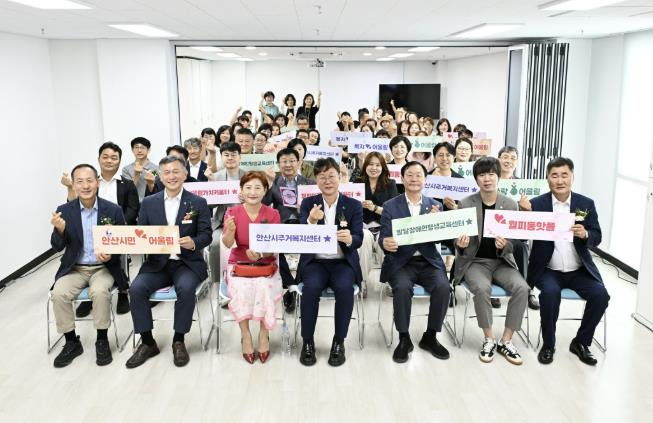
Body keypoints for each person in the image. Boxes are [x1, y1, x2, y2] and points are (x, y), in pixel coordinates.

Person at [126, 156, 212, 368]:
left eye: (176, 171)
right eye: (166, 172)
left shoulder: (198, 202)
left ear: (185, 174)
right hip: (157, 264)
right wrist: (141, 243)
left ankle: (178, 340)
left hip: (187, 263)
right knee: (136, 289)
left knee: (186, 288)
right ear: (160, 177)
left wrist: (194, 242)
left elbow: (207, 235)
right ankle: (147, 342)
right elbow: (142, 234)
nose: (171, 176)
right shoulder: (148, 203)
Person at [527, 157, 609, 366]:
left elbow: (597, 236)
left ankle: (581, 342)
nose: (560, 180)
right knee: (549, 294)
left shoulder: (585, 204)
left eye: (564, 175)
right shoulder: (536, 204)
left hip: (579, 270)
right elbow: (521, 235)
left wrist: (585, 234)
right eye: (554, 176)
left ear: (572, 177)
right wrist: (523, 212)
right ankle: (548, 344)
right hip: (548, 269)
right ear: (548, 179)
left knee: (601, 295)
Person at [50, 164, 128, 368]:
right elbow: (57, 247)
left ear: (97, 183)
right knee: (59, 293)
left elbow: (123, 243)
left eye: (89, 180)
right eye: (80, 181)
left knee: (100, 291)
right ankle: (71, 342)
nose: (85, 186)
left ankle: (102, 339)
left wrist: (111, 253)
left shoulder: (113, 209)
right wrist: (59, 230)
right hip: (75, 268)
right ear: (74, 185)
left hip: (103, 268)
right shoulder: (64, 210)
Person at [454, 157, 529, 365]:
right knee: (481, 288)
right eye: (482, 175)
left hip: (502, 261)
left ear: (498, 176)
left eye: (491, 174)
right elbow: (455, 236)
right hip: (475, 261)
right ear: (476, 179)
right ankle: (489, 339)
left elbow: (516, 240)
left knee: (522, 288)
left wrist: (505, 245)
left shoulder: (510, 204)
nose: (487, 179)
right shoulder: (466, 203)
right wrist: (460, 243)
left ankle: (506, 340)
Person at [379, 161, 451, 363]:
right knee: (402, 288)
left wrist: (437, 224)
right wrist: (385, 243)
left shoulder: (435, 205)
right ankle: (404, 337)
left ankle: (431, 336)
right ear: (402, 179)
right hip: (401, 262)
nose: (414, 179)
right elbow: (383, 236)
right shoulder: (390, 206)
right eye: (409, 175)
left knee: (444, 287)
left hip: (428, 261)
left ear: (425, 180)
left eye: (418, 175)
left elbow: (442, 238)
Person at [297, 157, 363, 367]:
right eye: (322, 177)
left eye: (331, 176)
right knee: (310, 289)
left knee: (344, 289)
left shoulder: (353, 205)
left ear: (339, 177)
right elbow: (300, 236)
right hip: (315, 262)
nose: (327, 181)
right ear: (316, 180)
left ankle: (339, 341)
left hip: (342, 263)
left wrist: (350, 239)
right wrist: (311, 220)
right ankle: (307, 341)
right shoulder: (308, 203)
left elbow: (359, 237)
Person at [61, 142, 138, 316]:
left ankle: (123, 292)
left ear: (119, 161)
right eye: (105, 157)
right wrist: (69, 187)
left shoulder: (127, 184)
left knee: (118, 258)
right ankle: (89, 298)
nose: (109, 161)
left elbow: (133, 208)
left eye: (114, 158)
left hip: (117, 229)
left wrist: (119, 226)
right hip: (88, 228)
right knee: (86, 258)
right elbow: (72, 206)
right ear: (99, 159)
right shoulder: (89, 181)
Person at [222, 171, 283, 364]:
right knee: (240, 289)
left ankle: (264, 334)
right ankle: (246, 335)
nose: (253, 192)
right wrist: (230, 231)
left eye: (258, 188)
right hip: (239, 264)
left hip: (265, 264)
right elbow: (227, 243)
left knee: (264, 287)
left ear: (265, 191)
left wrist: (261, 254)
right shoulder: (232, 212)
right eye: (248, 188)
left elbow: (275, 245)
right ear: (241, 190)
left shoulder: (273, 214)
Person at [262, 148, 316, 312]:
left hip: (304, 224)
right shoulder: (274, 182)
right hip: (282, 225)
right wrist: (268, 184)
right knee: (273, 250)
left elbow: (317, 206)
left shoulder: (310, 183)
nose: (288, 164)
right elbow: (263, 205)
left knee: (310, 251)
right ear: (278, 164)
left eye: (292, 161)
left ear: (299, 162)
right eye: (284, 161)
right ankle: (291, 286)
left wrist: (305, 209)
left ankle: (298, 283)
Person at [497, 146, 540, 310]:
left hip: (515, 231)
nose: (509, 161)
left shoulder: (524, 186)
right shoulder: (491, 180)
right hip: (493, 230)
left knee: (522, 247)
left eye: (513, 158)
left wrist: (525, 209)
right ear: (499, 159)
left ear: (517, 162)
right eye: (505, 157)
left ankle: (527, 290)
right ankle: (495, 287)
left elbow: (531, 217)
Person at [356, 152, 398, 298]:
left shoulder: (390, 184)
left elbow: (393, 211)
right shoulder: (357, 182)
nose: (374, 168)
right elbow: (349, 206)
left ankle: (389, 281)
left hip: (383, 226)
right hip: (363, 226)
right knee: (364, 240)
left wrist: (374, 208)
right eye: (370, 164)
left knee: (385, 242)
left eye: (377, 165)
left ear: (383, 167)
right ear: (365, 166)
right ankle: (362, 281)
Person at [206, 142, 247, 284]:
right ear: (222, 157)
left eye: (233, 154)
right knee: (215, 244)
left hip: (246, 223)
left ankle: (244, 278)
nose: (230, 158)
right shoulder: (215, 177)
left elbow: (260, 201)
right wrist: (213, 188)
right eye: (226, 155)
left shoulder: (248, 176)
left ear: (240, 157)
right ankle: (217, 282)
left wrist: (247, 199)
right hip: (222, 223)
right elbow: (209, 205)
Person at [121, 137, 158, 202]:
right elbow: (127, 191)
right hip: (132, 204)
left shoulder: (156, 169)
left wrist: (150, 182)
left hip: (151, 203)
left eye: (142, 147)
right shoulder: (126, 169)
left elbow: (157, 191)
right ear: (132, 150)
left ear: (148, 150)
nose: (139, 150)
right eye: (136, 147)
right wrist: (136, 174)